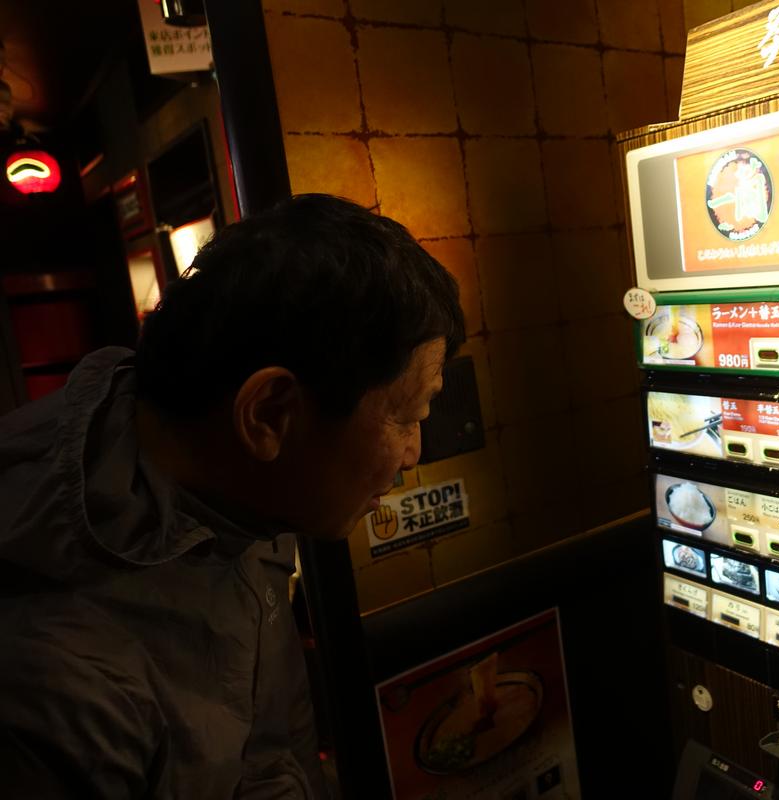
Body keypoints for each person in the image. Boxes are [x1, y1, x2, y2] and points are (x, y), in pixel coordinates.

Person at [0, 194, 465, 797]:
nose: (413, 453)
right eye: (406, 415)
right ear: (269, 413)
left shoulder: (227, 493)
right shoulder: (58, 692)